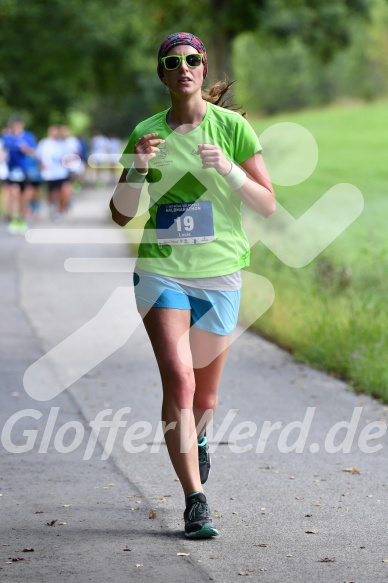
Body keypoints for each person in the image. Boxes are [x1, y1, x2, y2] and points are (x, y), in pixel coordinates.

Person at [109, 32, 275, 539]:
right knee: (179, 380)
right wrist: (137, 170)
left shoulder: (232, 130)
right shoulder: (146, 134)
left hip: (220, 272)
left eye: (192, 60)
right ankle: (194, 499)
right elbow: (119, 215)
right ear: (162, 74)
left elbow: (267, 203)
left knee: (205, 400)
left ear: (204, 70)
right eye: (172, 61)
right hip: (161, 269)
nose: (183, 67)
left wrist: (227, 170)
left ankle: (198, 439)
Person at [2, 115, 37, 234]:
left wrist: (26, 149)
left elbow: (34, 152)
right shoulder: (7, 137)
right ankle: (14, 219)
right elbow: (3, 152)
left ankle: (21, 218)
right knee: (13, 193)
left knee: (23, 197)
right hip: (12, 171)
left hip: (25, 171)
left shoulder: (28, 136)